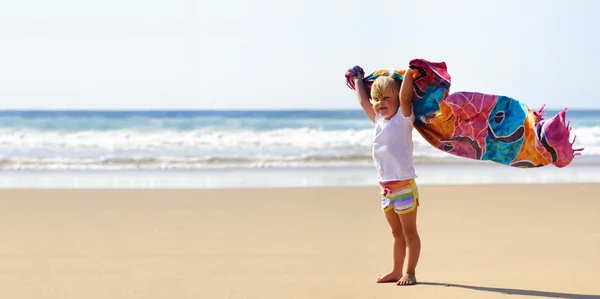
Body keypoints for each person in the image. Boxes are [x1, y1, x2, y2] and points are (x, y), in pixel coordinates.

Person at [351, 68, 421, 286]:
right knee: (396, 233)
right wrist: (357, 80)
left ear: (397, 101)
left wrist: (409, 74)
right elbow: (364, 102)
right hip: (386, 190)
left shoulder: (403, 119)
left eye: (386, 98)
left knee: (409, 233)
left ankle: (410, 272)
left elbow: (405, 96)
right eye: (377, 99)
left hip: (404, 188)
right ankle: (395, 270)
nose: (380, 103)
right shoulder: (379, 122)